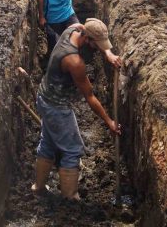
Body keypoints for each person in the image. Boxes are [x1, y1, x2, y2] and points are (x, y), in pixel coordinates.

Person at [32, 18, 123, 199]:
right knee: (72, 149)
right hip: (56, 107)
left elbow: (95, 37)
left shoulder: (74, 29)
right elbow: (89, 96)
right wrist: (109, 122)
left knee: (48, 143)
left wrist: (108, 54)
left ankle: (38, 188)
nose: (97, 49)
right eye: (96, 46)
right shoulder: (74, 62)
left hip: (44, 96)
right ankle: (70, 199)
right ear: (87, 39)